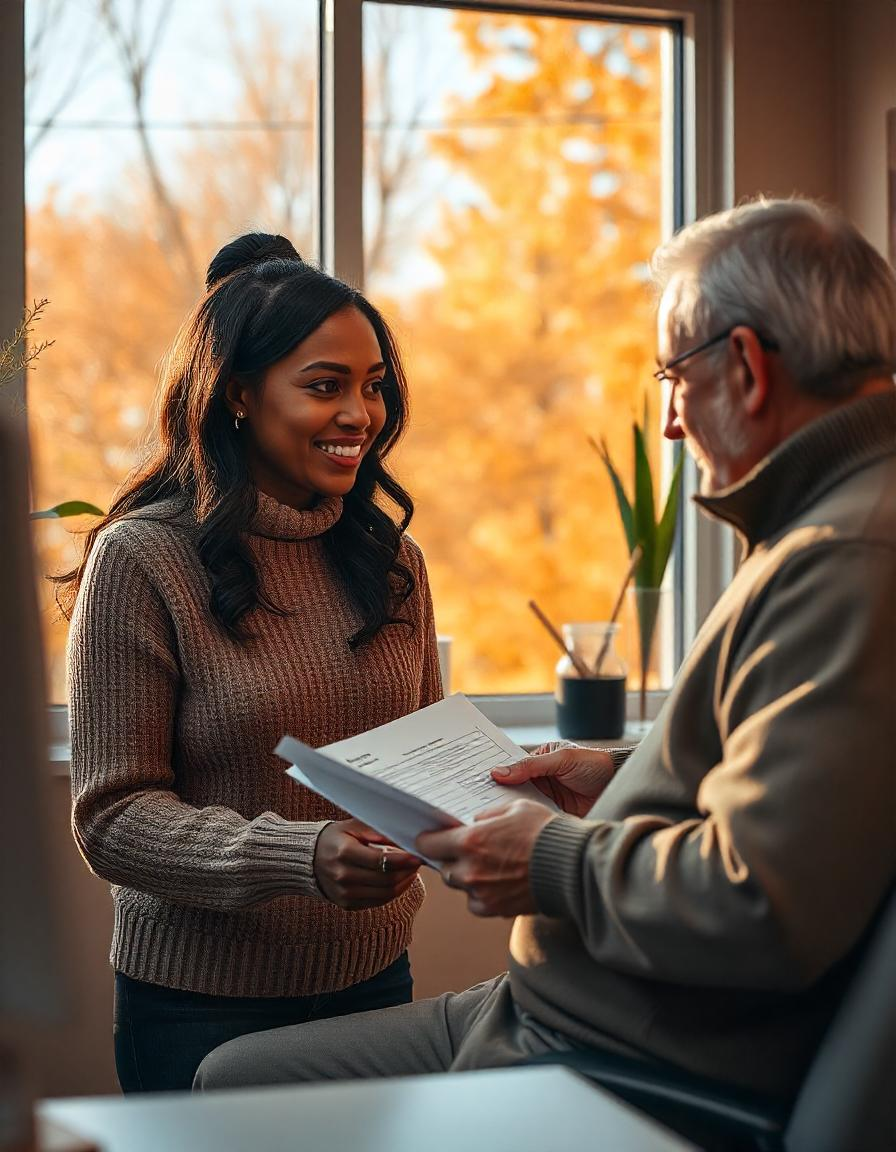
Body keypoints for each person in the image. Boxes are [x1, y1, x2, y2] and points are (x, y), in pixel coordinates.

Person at [195, 198, 896, 1106]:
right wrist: (620, 776)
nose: (674, 426)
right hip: (563, 1008)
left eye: (674, 378)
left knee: (236, 1097)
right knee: (229, 1078)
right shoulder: (833, 525)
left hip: (606, 1054)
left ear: (749, 368)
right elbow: (796, 793)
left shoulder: (845, 555)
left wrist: (552, 859)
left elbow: (764, 904)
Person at [63, 233, 443, 1093]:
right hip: (200, 1006)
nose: (361, 415)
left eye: (373, 386)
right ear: (238, 394)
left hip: (377, 988)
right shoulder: (143, 560)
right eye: (325, 386)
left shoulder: (393, 562)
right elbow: (112, 817)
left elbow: (423, 758)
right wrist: (299, 857)